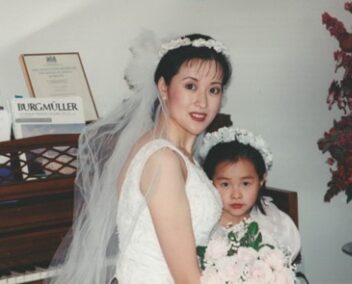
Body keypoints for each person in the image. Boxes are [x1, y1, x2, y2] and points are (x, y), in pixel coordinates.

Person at [48, 32, 232, 284]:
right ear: (164, 87)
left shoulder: (158, 147)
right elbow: (188, 279)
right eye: (190, 86)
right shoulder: (163, 160)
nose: (202, 101)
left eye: (213, 90)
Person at [199, 127, 302, 279]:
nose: (236, 194)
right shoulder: (204, 228)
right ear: (210, 182)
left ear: (262, 180)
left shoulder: (278, 224)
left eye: (246, 183)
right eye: (225, 184)